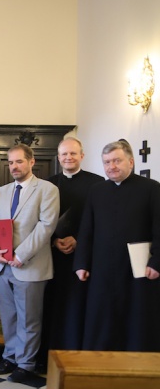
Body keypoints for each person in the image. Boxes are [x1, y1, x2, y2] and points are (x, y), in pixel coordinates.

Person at [74, 140, 160, 351]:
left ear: (130, 161)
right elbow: (86, 230)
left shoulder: (151, 188)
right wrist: (81, 263)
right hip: (102, 270)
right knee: (101, 320)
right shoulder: (97, 191)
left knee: (136, 322)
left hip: (138, 271)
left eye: (116, 161)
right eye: (106, 162)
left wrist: (156, 261)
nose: (111, 166)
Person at [0, 143, 59, 383]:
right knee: (8, 316)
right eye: (11, 162)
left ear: (31, 161)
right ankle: (10, 356)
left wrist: (21, 255)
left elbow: (46, 226)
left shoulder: (47, 189)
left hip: (30, 265)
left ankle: (26, 364)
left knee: (29, 319)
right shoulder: (1, 192)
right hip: (2, 265)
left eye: (19, 161)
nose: (14, 167)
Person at [37, 138, 104, 366]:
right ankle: (47, 358)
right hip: (52, 256)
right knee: (52, 306)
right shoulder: (48, 184)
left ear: (82, 156)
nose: (68, 158)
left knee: (76, 306)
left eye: (73, 154)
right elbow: (40, 220)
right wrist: (55, 241)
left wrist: (78, 240)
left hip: (81, 257)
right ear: (58, 157)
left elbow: (98, 221)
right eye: (64, 154)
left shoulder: (97, 184)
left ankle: (76, 357)